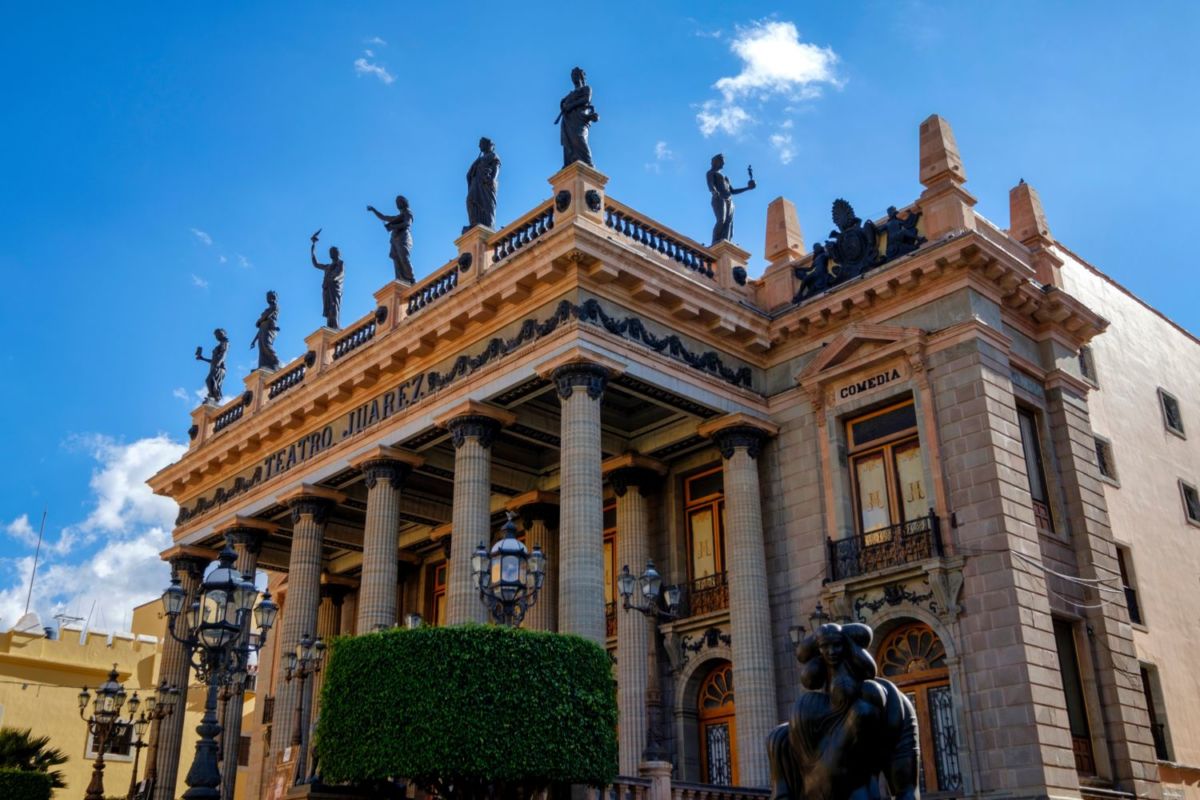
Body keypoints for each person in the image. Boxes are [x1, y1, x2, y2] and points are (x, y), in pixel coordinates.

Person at [767, 621, 919, 800]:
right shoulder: (802, 716)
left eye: (836, 646)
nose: (832, 652)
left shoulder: (876, 704)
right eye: (826, 647)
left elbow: (905, 784)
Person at [706, 154, 755, 245]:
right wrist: (714, 192)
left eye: (723, 163)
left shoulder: (726, 177)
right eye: (722, 162)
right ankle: (715, 242)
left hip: (729, 200)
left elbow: (732, 191)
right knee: (721, 220)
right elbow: (711, 185)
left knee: (729, 223)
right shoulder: (711, 173)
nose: (723, 165)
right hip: (719, 198)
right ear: (716, 162)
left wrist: (748, 188)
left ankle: (726, 242)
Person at [557, 67, 599, 168]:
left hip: (580, 118)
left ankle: (588, 164)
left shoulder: (586, 88)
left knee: (579, 138)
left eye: (576, 75)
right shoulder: (570, 94)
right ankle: (569, 163)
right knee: (568, 142)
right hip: (568, 120)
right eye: (573, 76)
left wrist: (570, 105)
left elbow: (586, 99)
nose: (574, 78)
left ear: (581, 76)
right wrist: (563, 103)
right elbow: (563, 102)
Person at [367, 196, 415, 283]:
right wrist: (373, 210)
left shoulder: (408, 212)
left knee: (404, 257)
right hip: (395, 240)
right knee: (396, 259)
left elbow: (407, 223)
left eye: (400, 201)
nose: (398, 203)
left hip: (403, 238)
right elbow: (383, 217)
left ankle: (411, 278)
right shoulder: (397, 217)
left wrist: (393, 226)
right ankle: (401, 280)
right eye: (397, 202)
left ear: (404, 202)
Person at [465, 137, 501, 232]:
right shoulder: (479, 159)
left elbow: (496, 167)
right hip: (476, 183)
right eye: (480, 144)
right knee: (470, 200)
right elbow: (469, 173)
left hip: (486, 183)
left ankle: (487, 224)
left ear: (488, 145)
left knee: (486, 205)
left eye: (481, 143)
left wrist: (492, 179)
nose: (479, 146)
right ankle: (474, 222)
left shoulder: (493, 155)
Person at [310, 231, 344, 329]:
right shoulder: (327, 266)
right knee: (328, 308)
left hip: (334, 288)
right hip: (327, 288)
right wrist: (313, 249)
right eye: (330, 252)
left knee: (334, 306)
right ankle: (329, 326)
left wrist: (332, 278)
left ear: (337, 253)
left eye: (333, 252)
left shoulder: (340, 263)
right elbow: (315, 264)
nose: (331, 253)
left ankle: (335, 327)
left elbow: (340, 273)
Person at [195, 328, 228, 403]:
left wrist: (218, 364)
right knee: (211, 382)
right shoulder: (220, 344)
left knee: (209, 380)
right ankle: (213, 397)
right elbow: (213, 361)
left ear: (224, 334)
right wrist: (202, 358)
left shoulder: (225, 342)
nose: (218, 336)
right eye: (216, 335)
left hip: (220, 367)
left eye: (219, 333)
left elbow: (224, 354)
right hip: (216, 366)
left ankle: (214, 397)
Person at [250, 291, 281, 371]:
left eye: (271, 296)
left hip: (270, 328)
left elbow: (266, 315)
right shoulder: (267, 311)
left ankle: (276, 362)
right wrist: (254, 341)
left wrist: (259, 321)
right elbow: (260, 329)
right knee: (262, 347)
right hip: (263, 329)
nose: (269, 298)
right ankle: (263, 366)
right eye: (268, 296)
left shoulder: (275, 306)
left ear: (275, 298)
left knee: (267, 345)